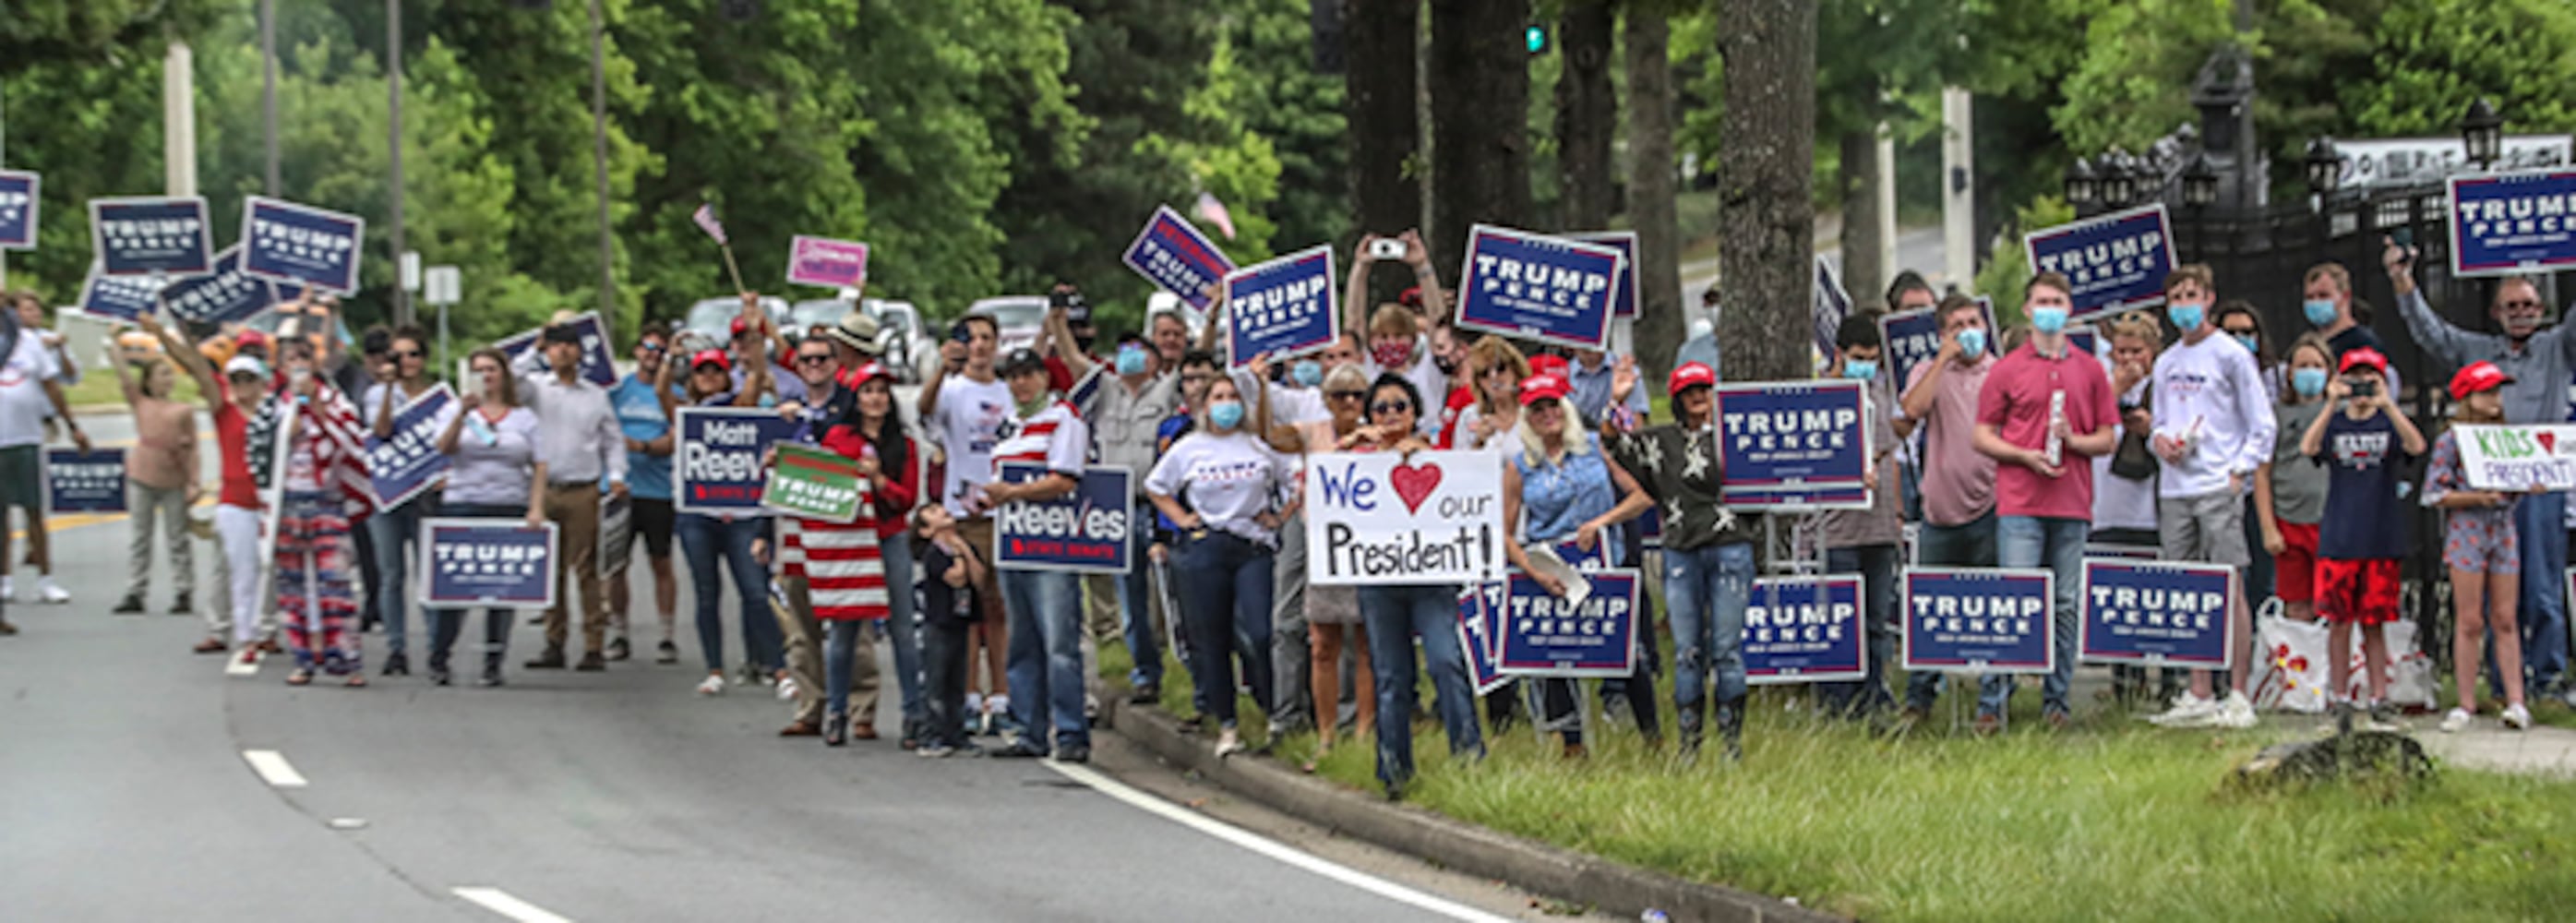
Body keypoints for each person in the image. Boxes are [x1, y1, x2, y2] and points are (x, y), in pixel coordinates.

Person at [2389, 240, 2572, 701]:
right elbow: (2430, 333)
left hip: (2539, 483)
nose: (2522, 312)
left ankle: (2547, 677)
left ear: (2543, 309)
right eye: (2512, 305)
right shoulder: (2477, 350)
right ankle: (2499, 681)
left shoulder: (2558, 348)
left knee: (2544, 585)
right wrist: (2402, 281)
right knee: (2492, 593)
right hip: (2485, 489)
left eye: (2530, 304)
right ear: (2495, 312)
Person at [1971, 272, 2120, 732]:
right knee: (2015, 601)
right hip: (2020, 502)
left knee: (2066, 604)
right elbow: (1981, 434)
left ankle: (2057, 702)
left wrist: (2073, 441)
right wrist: (2023, 455)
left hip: (2071, 504)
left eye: (2058, 300)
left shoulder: (2091, 369)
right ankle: (1992, 702)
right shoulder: (2007, 369)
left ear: (2070, 309)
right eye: (2043, 301)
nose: (2051, 308)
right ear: (2028, 310)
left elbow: (2108, 436)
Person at [2142, 266, 2273, 729]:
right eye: (2175, 296)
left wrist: (2239, 470)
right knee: (2188, 589)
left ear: (2209, 298)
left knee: (2230, 586)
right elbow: (2158, 420)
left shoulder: (2232, 355)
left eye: (2191, 295)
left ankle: (2237, 691)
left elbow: (2262, 424)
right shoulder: (2166, 362)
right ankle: (2199, 689)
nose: (2184, 304)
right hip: (2176, 486)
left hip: (2218, 484)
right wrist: (2160, 441)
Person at [1500, 371, 1654, 758]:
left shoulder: (1596, 448)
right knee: (1557, 655)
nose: (1548, 414)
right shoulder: (1520, 467)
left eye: (1554, 405)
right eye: (1538, 409)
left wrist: (1601, 522)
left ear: (1565, 408)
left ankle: (1653, 737)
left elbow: (1641, 497)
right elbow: (1503, 532)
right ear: (1527, 418)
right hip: (1552, 569)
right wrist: (1531, 570)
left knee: (1628, 652)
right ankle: (1572, 745)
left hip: (1604, 563)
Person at [1345, 373, 1482, 798]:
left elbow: (1468, 487)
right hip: (1379, 583)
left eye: (1400, 406)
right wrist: (1349, 450)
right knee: (1391, 677)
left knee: (1446, 662)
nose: (1390, 415)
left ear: (1415, 411)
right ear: (1369, 414)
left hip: (1431, 580)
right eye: (1381, 408)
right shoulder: (1354, 460)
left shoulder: (1437, 455)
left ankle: (1470, 762)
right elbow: (1324, 501)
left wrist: (1422, 456)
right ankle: (1393, 771)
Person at [1608, 362, 1755, 758]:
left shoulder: (1736, 436)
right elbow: (1615, 445)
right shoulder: (1660, 441)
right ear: (1676, 397)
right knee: (1687, 651)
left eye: (1705, 388)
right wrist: (1617, 399)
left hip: (1730, 546)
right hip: (1680, 550)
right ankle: (1690, 746)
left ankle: (1731, 744)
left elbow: (1773, 479)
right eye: (1690, 390)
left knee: (1726, 649)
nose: (1699, 396)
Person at [1147, 375, 1293, 758]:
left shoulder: (1258, 446)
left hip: (1253, 547)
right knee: (1211, 638)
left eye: (1232, 397)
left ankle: (1272, 707)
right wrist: (1181, 518)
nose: (1226, 403)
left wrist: (1279, 516)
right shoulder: (1188, 448)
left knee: (1260, 632)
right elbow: (1156, 486)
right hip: (1206, 545)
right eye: (1218, 397)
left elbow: (1294, 481)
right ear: (1205, 405)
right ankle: (1227, 723)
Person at [2296, 346, 2424, 731]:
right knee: (2338, 622)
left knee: (2374, 623)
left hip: (2380, 538)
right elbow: (2308, 448)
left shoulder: (2387, 424)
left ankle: (2380, 697)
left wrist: (2388, 406)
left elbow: (2417, 447)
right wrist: (2329, 404)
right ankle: (2340, 697)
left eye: (2371, 380)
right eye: (2356, 379)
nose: (2363, 389)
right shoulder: (2335, 424)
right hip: (2340, 537)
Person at [796, 362, 918, 747]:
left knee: (902, 629)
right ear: (857, 397)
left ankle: (913, 714)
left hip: (888, 535)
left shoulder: (906, 444)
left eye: (882, 391)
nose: (876, 399)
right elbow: (817, 480)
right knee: (845, 627)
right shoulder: (839, 440)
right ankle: (837, 712)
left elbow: (907, 499)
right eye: (868, 391)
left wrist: (880, 481)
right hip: (850, 542)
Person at [982, 348, 1094, 762]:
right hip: (1014, 541)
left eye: (1028, 375)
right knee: (1022, 642)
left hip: (1052, 545)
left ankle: (1070, 733)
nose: (1020, 383)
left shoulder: (1063, 417)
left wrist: (1014, 493)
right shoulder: (1010, 424)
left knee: (1060, 644)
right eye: (1012, 376)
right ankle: (1029, 730)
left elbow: (1065, 480)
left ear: (1044, 378)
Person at [1895, 294, 1999, 719]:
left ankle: (1992, 703)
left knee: (1994, 606)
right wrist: (1942, 359)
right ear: (1943, 334)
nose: (1967, 332)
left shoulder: (2001, 372)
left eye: (1973, 323)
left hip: (1992, 507)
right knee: (1930, 609)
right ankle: (1920, 698)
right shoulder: (1928, 371)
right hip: (1939, 510)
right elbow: (1912, 409)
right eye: (1957, 325)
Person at [1064, 328, 1179, 704]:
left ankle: (1181, 667)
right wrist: (1058, 320)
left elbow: (1201, 357)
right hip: (1115, 505)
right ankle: (1145, 672)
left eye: (1139, 350)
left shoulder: (1165, 391)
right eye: (1123, 349)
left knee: (1168, 593)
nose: (1130, 356)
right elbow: (1072, 358)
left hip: (1156, 505)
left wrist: (1210, 318)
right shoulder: (1105, 388)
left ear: (1154, 360)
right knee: (1129, 600)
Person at [660, 346, 782, 694]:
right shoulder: (687, 413)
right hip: (698, 516)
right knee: (706, 593)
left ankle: (779, 669)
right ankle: (714, 669)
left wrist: (756, 330)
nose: (710, 377)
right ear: (693, 379)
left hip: (742, 515)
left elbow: (756, 380)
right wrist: (670, 358)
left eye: (716, 370)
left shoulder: (740, 408)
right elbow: (660, 392)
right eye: (702, 372)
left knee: (756, 593)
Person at [2423, 362, 2537, 732]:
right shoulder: (2452, 439)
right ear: (2467, 397)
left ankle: (2516, 700)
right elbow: (2434, 492)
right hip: (2466, 531)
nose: (2494, 400)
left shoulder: (2506, 438)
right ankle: (2466, 702)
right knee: (2469, 619)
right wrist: (2474, 497)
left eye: (2496, 392)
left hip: (2502, 531)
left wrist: (2526, 486)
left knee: (2506, 617)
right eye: (2486, 392)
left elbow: (2514, 487)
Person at [515, 316, 631, 672]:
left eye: (569, 345)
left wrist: (616, 475)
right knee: (550, 569)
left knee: (587, 568)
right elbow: (510, 379)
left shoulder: (595, 396)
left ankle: (594, 643)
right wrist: (533, 346)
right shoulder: (535, 388)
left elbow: (612, 440)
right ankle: (554, 641)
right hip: (544, 487)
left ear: (581, 352)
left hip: (583, 488)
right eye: (556, 345)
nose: (563, 351)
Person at [425, 349, 546, 687]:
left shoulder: (523, 418)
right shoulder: (454, 410)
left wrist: (536, 508)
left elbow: (540, 463)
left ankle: (494, 660)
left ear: (504, 374)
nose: (486, 376)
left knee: (501, 590)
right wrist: (462, 414)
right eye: (479, 370)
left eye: (492, 369)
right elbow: (444, 448)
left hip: (508, 504)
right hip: (463, 502)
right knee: (453, 589)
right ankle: (440, 655)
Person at [919, 314, 1015, 731]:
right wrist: (943, 366)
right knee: (966, 608)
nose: (978, 346)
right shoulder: (953, 390)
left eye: (986, 339)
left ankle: (1003, 693)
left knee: (999, 607)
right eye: (971, 339)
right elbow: (925, 412)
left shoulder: (1009, 389)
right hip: (962, 510)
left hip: (1005, 508)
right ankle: (969, 694)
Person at [270, 340, 378, 687]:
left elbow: (347, 443)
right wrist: (294, 411)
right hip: (289, 501)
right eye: (291, 361)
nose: (297, 366)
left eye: (303, 359)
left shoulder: (336, 401)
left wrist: (315, 406)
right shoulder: (277, 406)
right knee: (292, 587)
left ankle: (347, 658)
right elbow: (269, 449)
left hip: (326, 501)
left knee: (336, 583)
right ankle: (303, 658)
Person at [1814, 317, 1903, 718]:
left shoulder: (1879, 389)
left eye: (1872, 359)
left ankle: (1874, 697)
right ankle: (1837, 703)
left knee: (1876, 622)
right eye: (1858, 358)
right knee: (1838, 620)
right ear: (1839, 354)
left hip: (1879, 524)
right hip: (1835, 530)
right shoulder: (1819, 392)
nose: (1865, 366)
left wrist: (1898, 513)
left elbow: (1890, 450)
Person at [2092, 311, 2174, 709]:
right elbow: (2081, 422)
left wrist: (2153, 427)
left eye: (2135, 351)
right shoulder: (2100, 385)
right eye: (2119, 351)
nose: (2126, 359)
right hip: (2107, 506)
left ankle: (2170, 682)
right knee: (2117, 600)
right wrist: (2114, 389)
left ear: (2153, 352)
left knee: (2159, 596)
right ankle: (2125, 683)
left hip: (2155, 508)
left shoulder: (2167, 387)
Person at [1298, 364, 1376, 771]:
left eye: (1358, 394)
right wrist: (1256, 383)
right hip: (1325, 546)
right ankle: (1327, 734)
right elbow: (1265, 435)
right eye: (1340, 395)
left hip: (1368, 550)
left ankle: (1364, 732)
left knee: (1366, 643)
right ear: (1325, 400)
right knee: (1323, 644)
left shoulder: (1379, 437)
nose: (1349, 402)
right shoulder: (1312, 433)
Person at [363, 326, 448, 677]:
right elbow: (381, 430)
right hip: (388, 495)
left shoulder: (440, 397)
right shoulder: (376, 393)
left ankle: (434, 648)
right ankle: (396, 647)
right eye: (398, 356)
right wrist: (387, 389)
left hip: (425, 495)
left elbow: (452, 440)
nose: (406, 362)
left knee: (427, 575)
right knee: (391, 574)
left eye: (413, 354)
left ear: (424, 358)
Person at [0, 294, 88, 605]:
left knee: (34, 511)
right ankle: (5, 580)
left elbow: (52, 386)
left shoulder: (27, 342)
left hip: (25, 437)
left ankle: (45, 579)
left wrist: (72, 425)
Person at [605, 321, 682, 665]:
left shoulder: (671, 394)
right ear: (637, 351)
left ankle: (666, 635)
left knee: (660, 562)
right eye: (647, 348)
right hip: (619, 488)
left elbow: (676, 437)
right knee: (615, 564)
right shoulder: (618, 390)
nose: (652, 356)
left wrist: (642, 445)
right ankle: (619, 632)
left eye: (660, 351)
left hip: (658, 489)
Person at [109, 334, 198, 617]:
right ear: (148, 380)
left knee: (177, 536)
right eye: (161, 374)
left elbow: (193, 448)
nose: (166, 380)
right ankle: (136, 590)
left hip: (173, 477)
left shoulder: (183, 410)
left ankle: (183, 589)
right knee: (140, 536)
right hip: (142, 474)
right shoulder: (141, 403)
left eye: (169, 374)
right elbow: (123, 376)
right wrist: (113, 344)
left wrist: (194, 481)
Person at [2258, 336, 2336, 626]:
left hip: (2330, 521)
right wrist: (2268, 527)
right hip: (2288, 519)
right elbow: (2262, 472)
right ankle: (2301, 668)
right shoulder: (2275, 416)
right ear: (2289, 372)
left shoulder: (2339, 413)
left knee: (2331, 605)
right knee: (2296, 606)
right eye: (2303, 365)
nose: (2310, 371)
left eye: (2317, 365)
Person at [1345, 231, 1450, 435]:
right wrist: (1361, 267)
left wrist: (1422, 265)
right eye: (1383, 337)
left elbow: (1438, 322)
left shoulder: (1428, 373)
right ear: (1372, 340)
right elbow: (1354, 323)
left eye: (1399, 336)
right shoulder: (1368, 373)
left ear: (1413, 340)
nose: (1391, 342)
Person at [912, 503, 987, 758]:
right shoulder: (934, 554)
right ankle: (930, 733)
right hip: (939, 621)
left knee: (957, 679)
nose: (942, 512)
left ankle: (956, 732)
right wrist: (957, 556)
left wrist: (965, 550)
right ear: (925, 530)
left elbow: (979, 576)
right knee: (936, 679)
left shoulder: (964, 547)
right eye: (933, 513)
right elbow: (956, 577)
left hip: (961, 619)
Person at [1452, 337, 1531, 452]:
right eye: (1484, 373)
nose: (1493, 378)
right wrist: (1479, 442)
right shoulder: (1469, 416)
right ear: (1478, 382)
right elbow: (1459, 465)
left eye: (1500, 369)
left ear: (1515, 370)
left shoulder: (1534, 412)